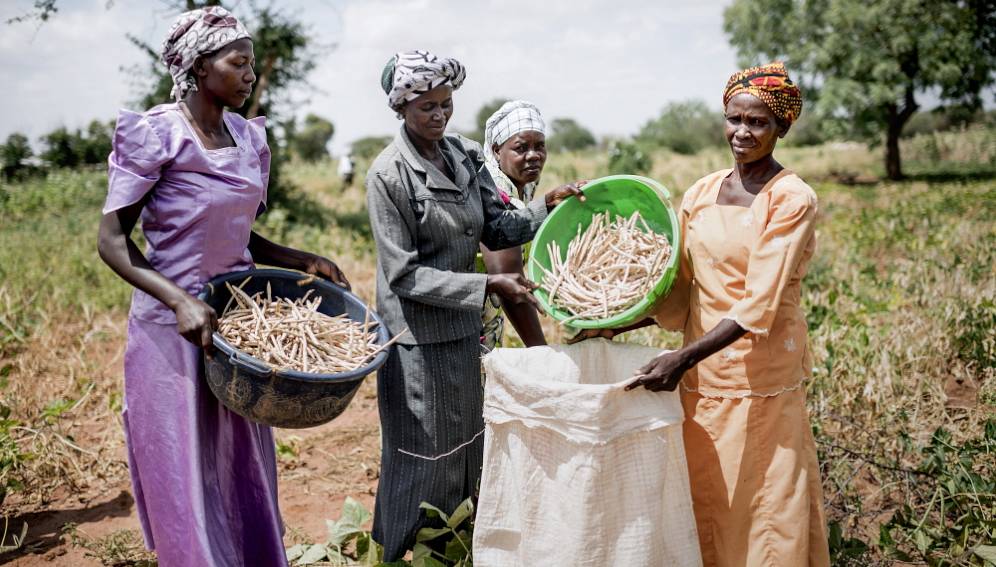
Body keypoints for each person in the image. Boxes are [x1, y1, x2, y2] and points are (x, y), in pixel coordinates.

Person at [95, 7, 349, 566]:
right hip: (173, 329)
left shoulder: (243, 135)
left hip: (234, 326)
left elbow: (235, 231)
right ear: (199, 67)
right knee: (185, 465)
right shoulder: (157, 134)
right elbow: (112, 241)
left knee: (239, 466)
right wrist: (180, 300)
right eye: (239, 63)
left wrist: (300, 258)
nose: (250, 74)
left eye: (251, 64)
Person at [578, 62, 830, 566]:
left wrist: (680, 358)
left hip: (760, 378)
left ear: (781, 127)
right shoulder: (701, 191)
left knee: (763, 507)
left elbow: (758, 303)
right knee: (708, 501)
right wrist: (616, 318)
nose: (742, 132)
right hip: (701, 381)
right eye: (733, 118)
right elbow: (684, 287)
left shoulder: (790, 199)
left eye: (757, 122)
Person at [366, 50, 584, 560]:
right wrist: (488, 287)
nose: (439, 116)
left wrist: (543, 208)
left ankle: (455, 547)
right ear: (401, 108)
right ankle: (396, 552)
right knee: (419, 456)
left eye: (446, 104)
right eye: (427, 107)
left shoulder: (463, 155)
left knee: (466, 448)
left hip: (463, 333)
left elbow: (496, 227)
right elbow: (403, 274)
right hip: (416, 339)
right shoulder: (389, 175)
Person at [477, 100, 550, 351]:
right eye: (521, 148)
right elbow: (510, 282)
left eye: (540, 146)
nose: (534, 155)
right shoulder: (495, 193)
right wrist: (541, 350)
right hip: (468, 322)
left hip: (487, 316)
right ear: (497, 150)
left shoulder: (524, 186)